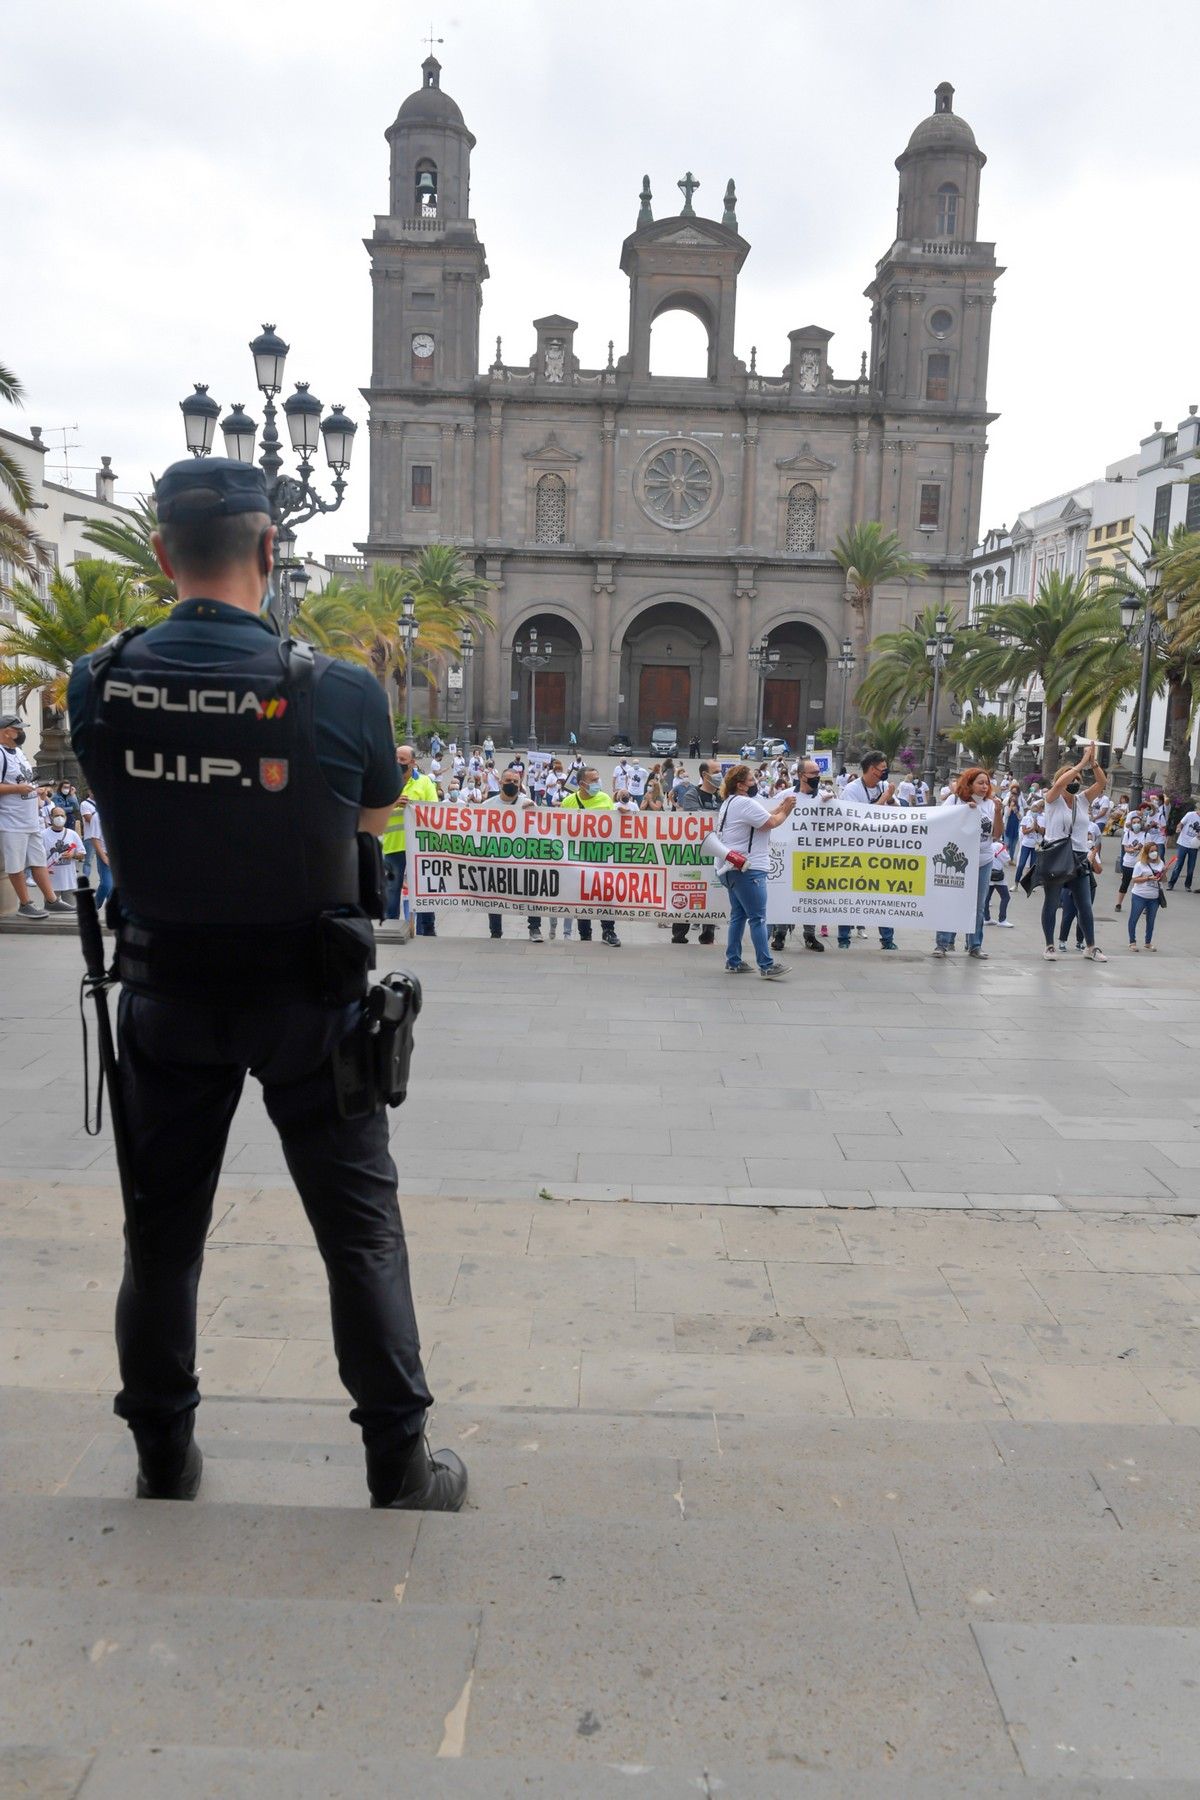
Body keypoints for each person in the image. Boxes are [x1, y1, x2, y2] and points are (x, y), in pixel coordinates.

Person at [66, 456, 464, 1512]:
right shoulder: (334, 689)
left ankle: (161, 1454)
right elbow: (370, 831)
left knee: (159, 1236)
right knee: (359, 1233)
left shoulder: (94, 681)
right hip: (310, 1008)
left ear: (160, 555)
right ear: (271, 551)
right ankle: (397, 1463)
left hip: (164, 999)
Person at [716, 763, 796, 978]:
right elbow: (769, 822)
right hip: (748, 868)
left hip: (731, 867)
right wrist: (786, 811)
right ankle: (766, 964)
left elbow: (761, 817)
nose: (755, 783)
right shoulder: (744, 802)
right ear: (741, 785)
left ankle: (733, 960)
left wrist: (779, 807)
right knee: (758, 918)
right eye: (752, 780)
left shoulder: (731, 802)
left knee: (738, 915)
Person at [528, 766, 620, 947]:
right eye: (593, 780)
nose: (597, 783)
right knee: (582, 896)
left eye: (597, 779)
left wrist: (622, 814)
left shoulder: (606, 799)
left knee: (605, 896)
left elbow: (615, 826)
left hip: (600, 857)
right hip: (577, 858)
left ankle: (608, 931)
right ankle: (585, 935)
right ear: (581, 784)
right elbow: (559, 827)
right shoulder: (569, 802)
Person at [1039, 741, 1107, 962]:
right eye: (1072, 778)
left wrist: (1093, 763)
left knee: (1084, 903)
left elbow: (1102, 782)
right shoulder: (1053, 799)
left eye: (1078, 779)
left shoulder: (1083, 800)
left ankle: (1091, 946)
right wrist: (1079, 764)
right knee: (1052, 901)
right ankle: (1050, 945)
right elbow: (1059, 784)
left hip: (1078, 855)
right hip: (1056, 854)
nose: (1075, 781)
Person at [0, 714, 73, 917]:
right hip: (11, 821)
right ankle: (25, 903)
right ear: (7, 732)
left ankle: (51, 900)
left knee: (38, 860)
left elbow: (25, 781)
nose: (22, 733)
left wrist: (36, 789)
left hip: (30, 819)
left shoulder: (18, 753)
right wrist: (18, 789)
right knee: (15, 865)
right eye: (18, 729)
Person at [932, 767, 1001, 959]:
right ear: (969, 784)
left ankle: (975, 945)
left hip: (984, 859)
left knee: (979, 905)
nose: (984, 786)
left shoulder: (989, 804)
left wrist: (999, 811)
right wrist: (962, 812)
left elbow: (996, 834)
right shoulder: (954, 801)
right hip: (958, 861)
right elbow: (941, 823)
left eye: (987, 783)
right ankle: (942, 944)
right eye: (980, 782)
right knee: (950, 900)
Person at [838, 751, 898, 952]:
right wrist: (883, 799)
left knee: (884, 896)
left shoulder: (884, 787)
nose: (885, 772)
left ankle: (887, 939)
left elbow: (897, 812)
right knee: (850, 894)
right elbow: (858, 818)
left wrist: (889, 799)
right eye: (882, 768)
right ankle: (843, 937)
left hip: (880, 851)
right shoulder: (851, 790)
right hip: (855, 852)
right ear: (872, 770)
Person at [770, 757, 826, 954]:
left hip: (814, 857)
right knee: (787, 894)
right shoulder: (785, 795)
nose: (817, 777)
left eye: (818, 773)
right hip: (789, 855)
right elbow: (773, 818)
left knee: (811, 896)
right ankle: (780, 934)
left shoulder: (825, 797)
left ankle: (810, 935)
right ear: (801, 776)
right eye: (813, 774)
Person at [381, 747, 438, 934]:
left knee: (424, 891)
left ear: (413, 762)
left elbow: (435, 811)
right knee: (391, 890)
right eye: (395, 758)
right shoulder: (385, 783)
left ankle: (427, 930)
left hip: (420, 847)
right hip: (393, 845)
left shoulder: (425, 782)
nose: (398, 762)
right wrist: (393, 803)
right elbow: (373, 812)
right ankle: (391, 928)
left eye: (403, 759)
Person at [671, 759, 722, 947]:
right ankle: (679, 934)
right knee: (687, 890)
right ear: (704, 775)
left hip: (715, 853)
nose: (720, 775)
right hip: (693, 854)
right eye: (716, 771)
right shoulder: (692, 794)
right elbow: (696, 818)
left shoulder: (723, 795)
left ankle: (708, 934)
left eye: (720, 771)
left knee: (712, 892)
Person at [1057, 816, 1103, 952]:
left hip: (1088, 884)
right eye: (1086, 837)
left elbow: (1099, 870)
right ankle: (1062, 940)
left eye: (1090, 838)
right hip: (1070, 884)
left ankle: (1080, 940)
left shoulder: (1092, 852)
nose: (1088, 840)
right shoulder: (1070, 849)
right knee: (1068, 914)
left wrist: (1093, 857)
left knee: (1084, 913)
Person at [43, 803, 86, 905]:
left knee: (71, 912)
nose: (59, 818)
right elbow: (37, 858)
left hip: (69, 882)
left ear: (66, 818)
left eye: (62, 815)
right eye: (56, 815)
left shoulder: (72, 834)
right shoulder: (43, 835)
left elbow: (82, 854)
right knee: (52, 912)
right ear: (51, 817)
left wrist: (73, 855)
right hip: (51, 883)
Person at [1127, 841, 1167, 950]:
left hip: (1154, 897)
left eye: (1156, 851)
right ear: (1146, 852)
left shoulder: (1160, 863)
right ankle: (1132, 942)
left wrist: (1163, 873)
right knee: (1134, 918)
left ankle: (1148, 942)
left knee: (1151, 920)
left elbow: (1164, 880)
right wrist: (1148, 878)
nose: (1154, 853)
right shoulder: (1140, 864)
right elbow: (1134, 880)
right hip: (1139, 895)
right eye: (1151, 851)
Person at [1114, 807, 1146, 911]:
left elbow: (1148, 849)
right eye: (1134, 822)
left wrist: (1141, 849)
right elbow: (1126, 849)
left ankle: (1143, 906)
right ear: (1131, 824)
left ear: (1141, 824)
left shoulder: (1146, 835)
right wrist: (1134, 849)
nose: (1136, 824)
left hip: (1141, 864)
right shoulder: (1127, 834)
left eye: (1138, 822)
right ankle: (1118, 904)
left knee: (1142, 885)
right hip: (1128, 863)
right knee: (1125, 883)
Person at [1168, 799, 1200, 890]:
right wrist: (1178, 828)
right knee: (1178, 865)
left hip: (1194, 845)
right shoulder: (1190, 814)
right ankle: (1171, 883)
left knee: (1191, 867)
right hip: (1183, 843)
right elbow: (1180, 824)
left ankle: (1187, 886)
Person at [982, 835, 1012, 927]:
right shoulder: (999, 845)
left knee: (986, 898)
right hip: (998, 875)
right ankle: (1002, 920)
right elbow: (1007, 859)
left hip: (988, 874)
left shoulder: (985, 844)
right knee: (1005, 897)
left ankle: (986, 918)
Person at [1014, 796, 1044, 887]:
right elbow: (1024, 832)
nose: (1039, 810)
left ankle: (1030, 885)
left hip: (1036, 845)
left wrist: (1037, 826)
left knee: (1032, 866)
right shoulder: (1026, 818)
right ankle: (1016, 883)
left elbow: (1043, 832)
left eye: (1041, 808)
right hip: (1026, 844)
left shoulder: (1043, 818)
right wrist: (1031, 829)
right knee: (1021, 864)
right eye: (1038, 808)